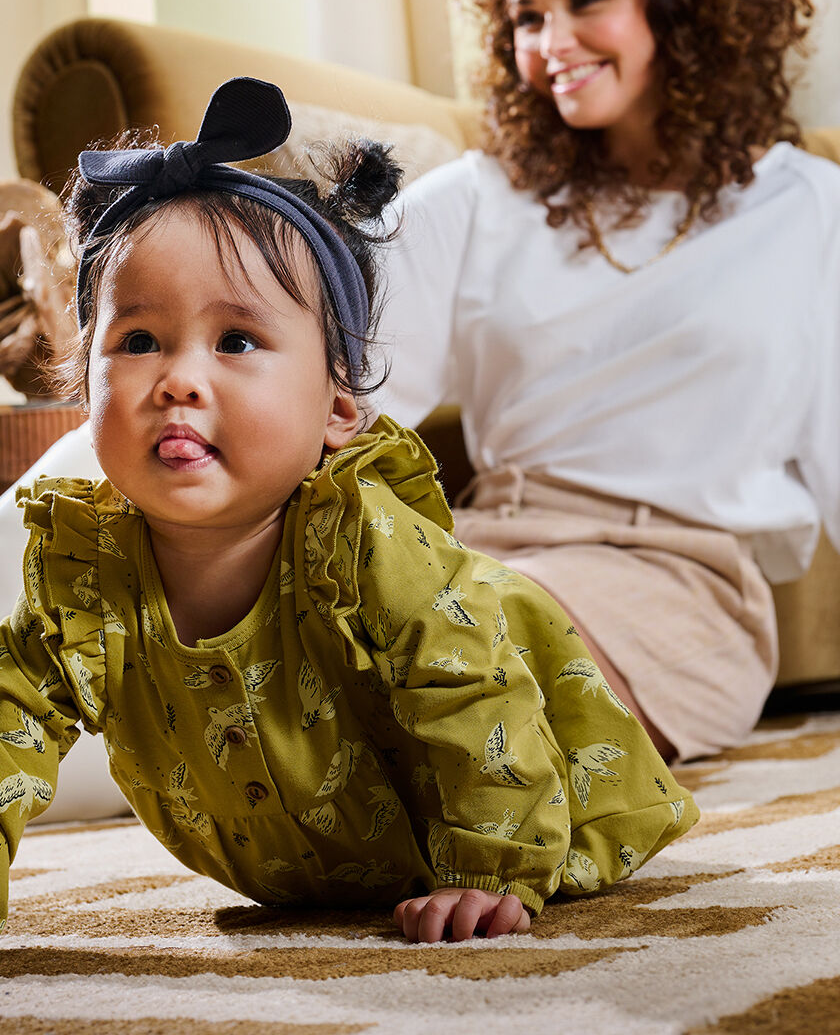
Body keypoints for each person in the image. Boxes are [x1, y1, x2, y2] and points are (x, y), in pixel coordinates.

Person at [0, 77, 697, 943]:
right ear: (82, 385)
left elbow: (473, 696)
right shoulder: (85, 576)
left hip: (505, 794)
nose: (178, 379)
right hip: (298, 860)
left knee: (484, 629)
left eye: (238, 341)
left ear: (337, 411)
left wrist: (491, 871)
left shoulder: (362, 542)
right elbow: (8, 719)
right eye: (137, 341)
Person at [375, 0, 840, 764]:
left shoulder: (809, 209)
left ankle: (496, 849)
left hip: (679, 579)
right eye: (526, 16)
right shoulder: (479, 196)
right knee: (382, 648)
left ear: (679, 5)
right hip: (480, 548)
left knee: (478, 667)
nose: (551, 43)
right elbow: (333, 387)